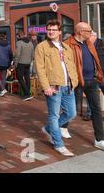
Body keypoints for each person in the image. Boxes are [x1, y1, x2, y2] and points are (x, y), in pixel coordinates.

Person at [35, 19, 78, 156]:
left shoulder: (66, 48)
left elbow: (72, 66)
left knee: (71, 113)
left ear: (60, 32)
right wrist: (46, 86)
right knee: (53, 116)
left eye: (54, 29)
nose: (51, 32)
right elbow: (40, 69)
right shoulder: (41, 47)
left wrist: (74, 82)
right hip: (54, 87)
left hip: (68, 86)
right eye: (49, 29)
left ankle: (48, 129)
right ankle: (59, 144)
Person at [63, 23, 104, 150]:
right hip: (78, 81)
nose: (91, 33)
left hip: (92, 80)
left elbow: (95, 60)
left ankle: (99, 139)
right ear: (80, 31)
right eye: (89, 30)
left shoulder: (89, 43)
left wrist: (99, 74)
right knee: (73, 109)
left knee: (96, 109)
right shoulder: (68, 44)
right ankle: (62, 126)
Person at [14, 32, 35, 101]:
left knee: (19, 78)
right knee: (27, 78)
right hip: (28, 63)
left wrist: (15, 62)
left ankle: (27, 93)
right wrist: (30, 60)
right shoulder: (30, 43)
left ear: (19, 36)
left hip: (21, 63)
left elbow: (18, 54)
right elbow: (32, 54)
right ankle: (27, 94)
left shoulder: (19, 43)